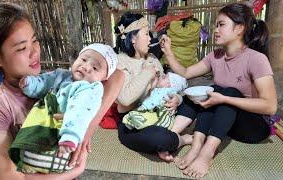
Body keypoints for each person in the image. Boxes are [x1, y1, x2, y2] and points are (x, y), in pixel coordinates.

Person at [0, 3, 124, 179]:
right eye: (21, 48)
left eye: (34, 40)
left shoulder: (53, 81)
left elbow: (117, 75)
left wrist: (87, 128)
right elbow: (8, 176)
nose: (34, 51)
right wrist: (73, 172)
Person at [160, 3, 277, 178]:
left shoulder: (256, 59)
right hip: (225, 125)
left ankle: (207, 153)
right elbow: (186, 72)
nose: (215, 29)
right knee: (204, 92)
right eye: (215, 25)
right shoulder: (215, 56)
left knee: (227, 92)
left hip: (253, 127)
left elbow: (270, 107)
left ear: (239, 28)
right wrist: (168, 52)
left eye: (221, 24)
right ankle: (196, 144)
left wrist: (224, 99)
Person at [11, 43, 118, 173]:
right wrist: (29, 84)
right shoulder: (61, 75)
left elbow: (80, 113)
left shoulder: (91, 89)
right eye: (84, 60)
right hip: (46, 120)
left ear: (104, 78)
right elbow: (43, 82)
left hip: (65, 137)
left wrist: (70, 136)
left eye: (95, 68)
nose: (86, 67)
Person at [114, 12, 192, 162]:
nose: (150, 38)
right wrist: (146, 74)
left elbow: (166, 88)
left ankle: (170, 136)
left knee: (192, 101)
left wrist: (177, 99)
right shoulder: (120, 62)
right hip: (134, 122)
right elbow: (124, 101)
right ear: (133, 38)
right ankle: (181, 140)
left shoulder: (153, 58)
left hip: (161, 114)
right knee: (159, 138)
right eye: (146, 34)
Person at [122, 72, 187, 129]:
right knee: (139, 116)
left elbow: (158, 99)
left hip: (154, 110)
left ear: (169, 85)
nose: (160, 78)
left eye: (164, 78)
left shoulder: (168, 91)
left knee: (142, 117)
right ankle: (132, 123)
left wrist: (144, 106)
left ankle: (132, 122)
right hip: (149, 109)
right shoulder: (158, 89)